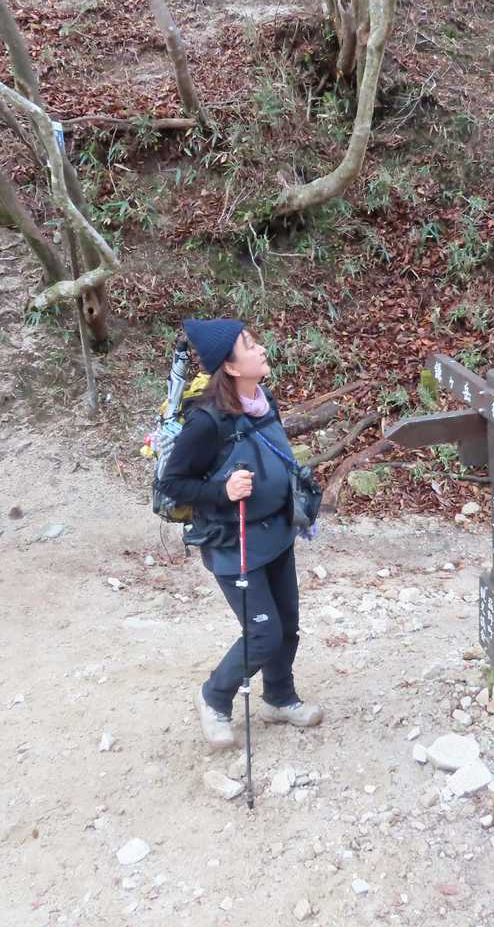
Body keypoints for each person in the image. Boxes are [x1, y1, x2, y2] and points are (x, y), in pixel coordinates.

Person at [158, 318, 324, 750]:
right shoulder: (206, 422)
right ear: (230, 367)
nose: (261, 349)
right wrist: (223, 490)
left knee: (287, 626)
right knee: (263, 633)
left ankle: (279, 697)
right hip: (234, 543)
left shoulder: (263, 401)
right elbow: (171, 483)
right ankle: (213, 698)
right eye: (249, 346)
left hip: (277, 532)